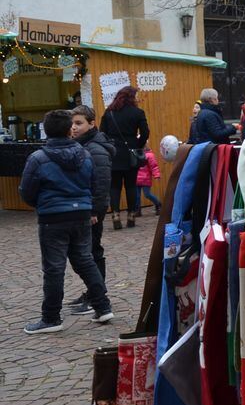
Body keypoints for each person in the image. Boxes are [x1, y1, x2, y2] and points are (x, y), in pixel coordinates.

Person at [20, 110, 114, 333]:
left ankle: (51, 318)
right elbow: (94, 184)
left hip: (53, 218)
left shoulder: (38, 158)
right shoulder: (85, 155)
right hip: (81, 214)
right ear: (69, 129)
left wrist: (42, 204)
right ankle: (102, 306)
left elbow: (27, 191)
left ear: (46, 130)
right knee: (85, 261)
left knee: (54, 268)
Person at [66, 105, 115, 316]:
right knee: (88, 251)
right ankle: (93, 292)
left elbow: (102, 183)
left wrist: (94, 211)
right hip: (86, 206)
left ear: (92, 123)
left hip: (92, 208)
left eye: (79, 123)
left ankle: (97, 296)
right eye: (72, 124)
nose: (74, 128)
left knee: (91, 251)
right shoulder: (82, 144)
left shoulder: (95, 148)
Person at [99, 86, 149, 230]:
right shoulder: (138, 112)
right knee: (131, 185)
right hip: (130, 152)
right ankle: (131, 215)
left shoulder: (109, 112)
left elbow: (102, 133)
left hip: (113, 152)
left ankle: (115, 215)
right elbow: (145, 133)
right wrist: (137, 145)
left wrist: (109, 146)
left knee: (114, 186)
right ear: (131, 97)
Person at [133, 147, 162, 216]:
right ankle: (137, 210)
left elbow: (154, 166)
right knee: (136, 196)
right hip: (136, 178)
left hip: (145, 178)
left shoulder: (149, 155)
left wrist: (156, 174)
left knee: (147, 194)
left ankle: (158, 204)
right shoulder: (134, 153)